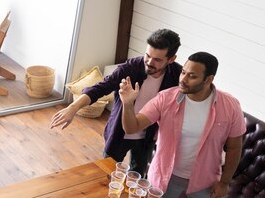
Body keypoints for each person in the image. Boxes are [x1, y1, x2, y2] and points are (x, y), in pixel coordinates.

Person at [119, 51, 245, 198]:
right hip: (166, 173)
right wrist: (128, 105)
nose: (183, 79)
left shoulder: (231, 106)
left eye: (192, 76)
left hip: (206, 177)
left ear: (209, 79)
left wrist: (225, 181)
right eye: (183, 72)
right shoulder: (166, 98)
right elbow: (131, 127)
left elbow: (235, 147)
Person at [51, 28, 182, 176]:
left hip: (148, 135)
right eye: (147, 55)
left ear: (171, 59)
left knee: (137, 175)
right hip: (119, 131)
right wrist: (73, 107)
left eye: (157, 60)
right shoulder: (131, 67)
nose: (149, 62)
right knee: (106, 173)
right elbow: (101, 88)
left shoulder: (177, 75)